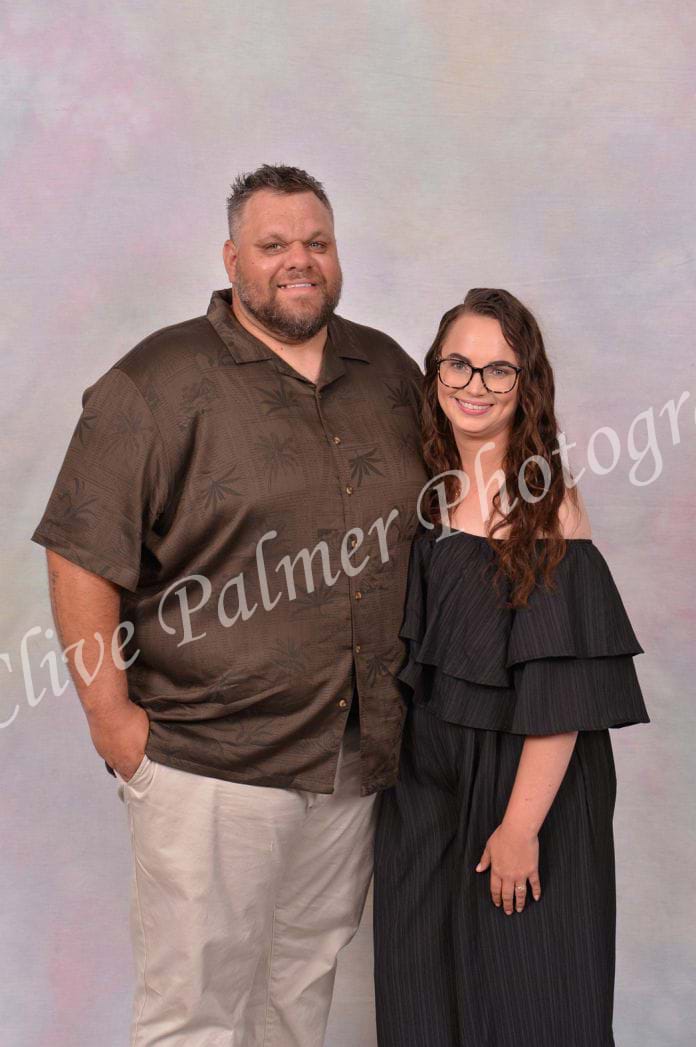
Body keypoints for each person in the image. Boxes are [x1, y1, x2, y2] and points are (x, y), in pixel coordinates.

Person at [31, 164, 428, 1047]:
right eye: (274, 243)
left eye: (316, 242)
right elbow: (80, 549)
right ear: (232, 258)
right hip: (206, 759)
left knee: (299, 993)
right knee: (194, 1015)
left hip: (353, 758)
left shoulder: (388, 371)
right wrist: (111, 720)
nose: (299, 260)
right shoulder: (156, 382)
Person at [373, 288, 650, 1047]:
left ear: (527, 384)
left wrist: (520, 826)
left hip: (526, 780)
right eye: (459, 364)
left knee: (529, 1003)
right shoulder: (428, 496)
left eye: (500, 369)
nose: (475, 384)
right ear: (435, 371)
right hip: (424, 783)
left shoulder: (549, 506)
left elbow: (562, 693)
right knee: (420, 994)